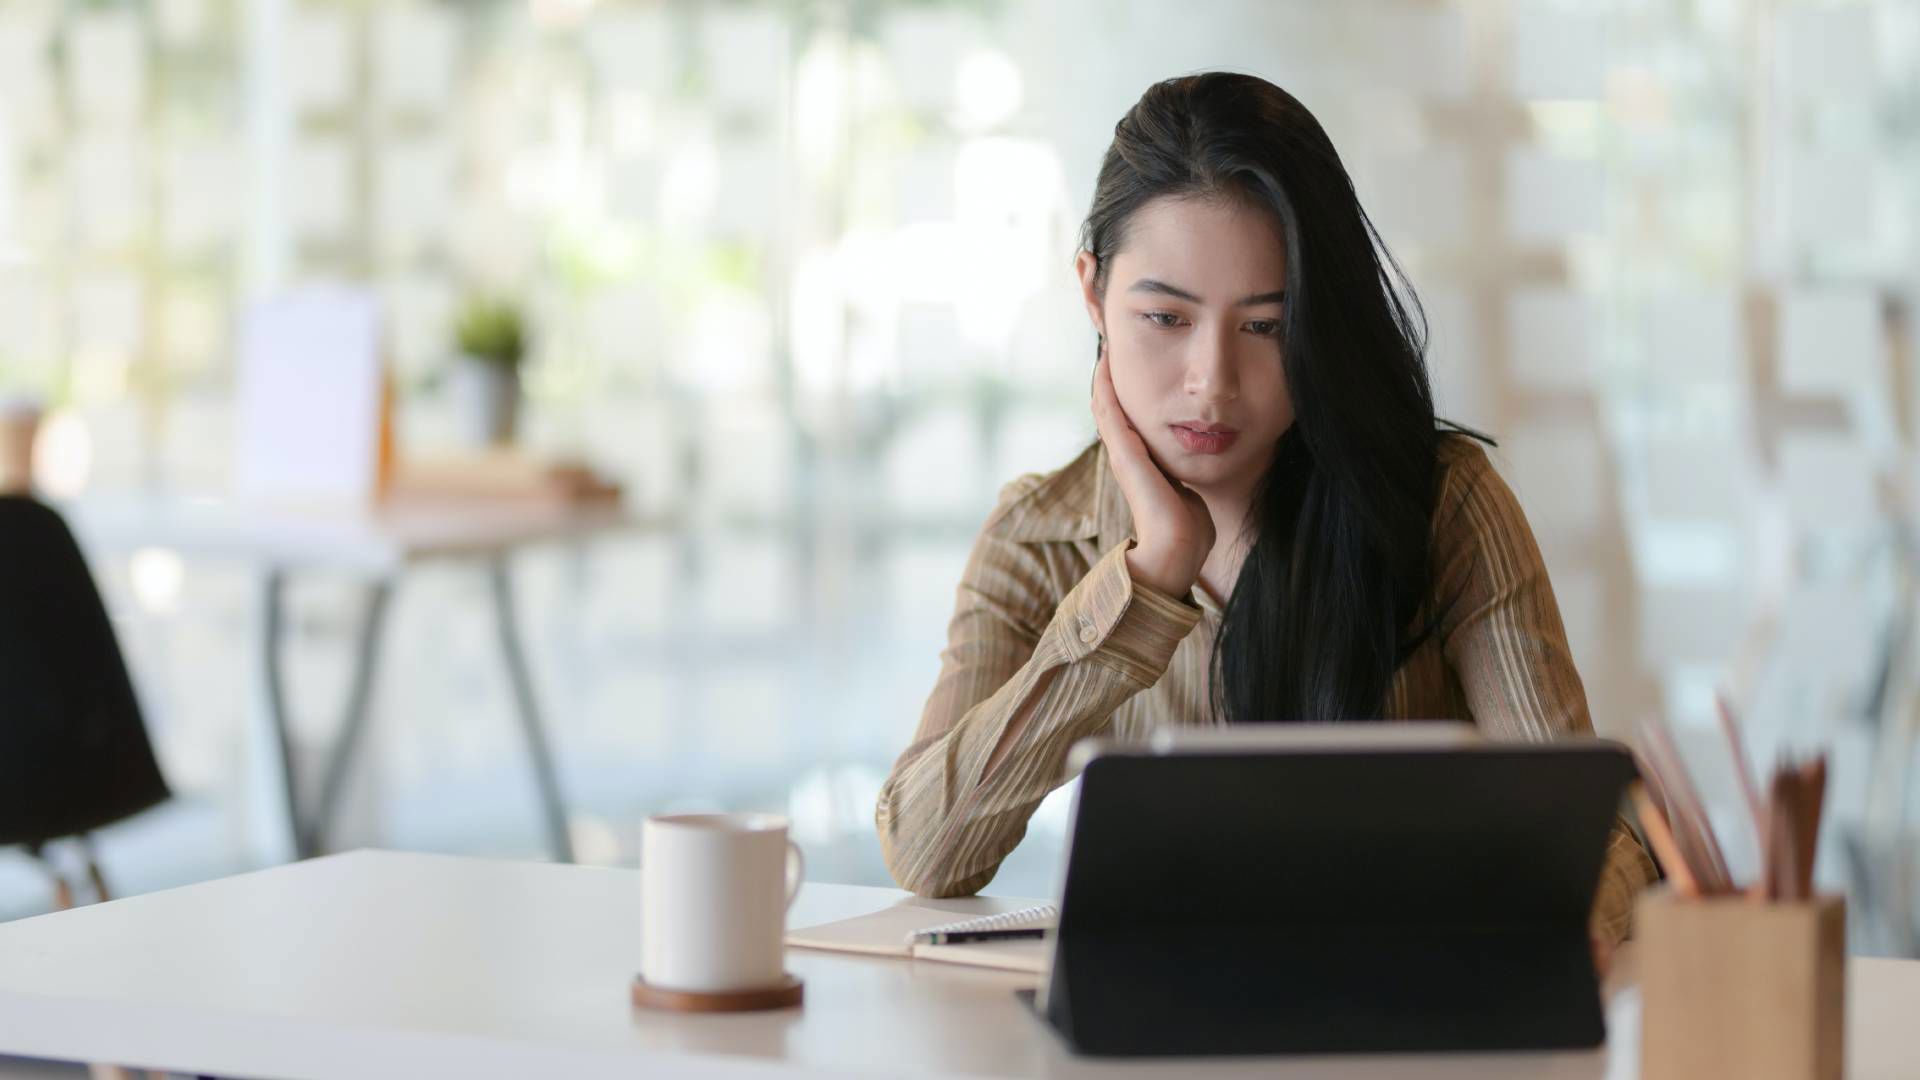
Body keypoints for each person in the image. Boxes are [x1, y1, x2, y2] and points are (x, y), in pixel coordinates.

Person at [873, 72, 1659, 961]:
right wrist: (1146, 578)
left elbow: (1599, 835)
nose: (1210, 380)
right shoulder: (1039, 535)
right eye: (1165, 317)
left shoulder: (1443, 504)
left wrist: (1539, 931)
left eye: (1264, 327)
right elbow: (927, 850)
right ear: (1092, 293)